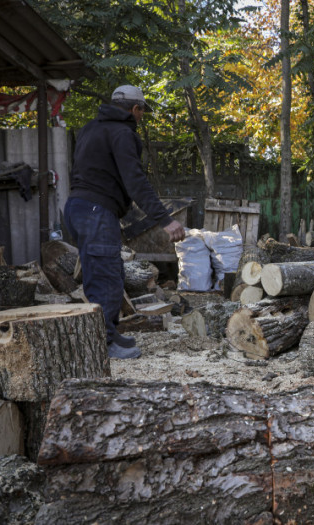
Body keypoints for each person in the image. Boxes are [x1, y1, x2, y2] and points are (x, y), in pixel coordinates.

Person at [64, 85, 186, 359]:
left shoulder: (90, 129)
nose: (141, 118)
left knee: (112, 272)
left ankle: (109, 331)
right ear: (135, 109)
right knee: (105, 279)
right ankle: (103, 344)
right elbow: (135, 181)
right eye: (142, 112)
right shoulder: (122, 133)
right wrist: (166, 220)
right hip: (96, 211)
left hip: (79, 208)